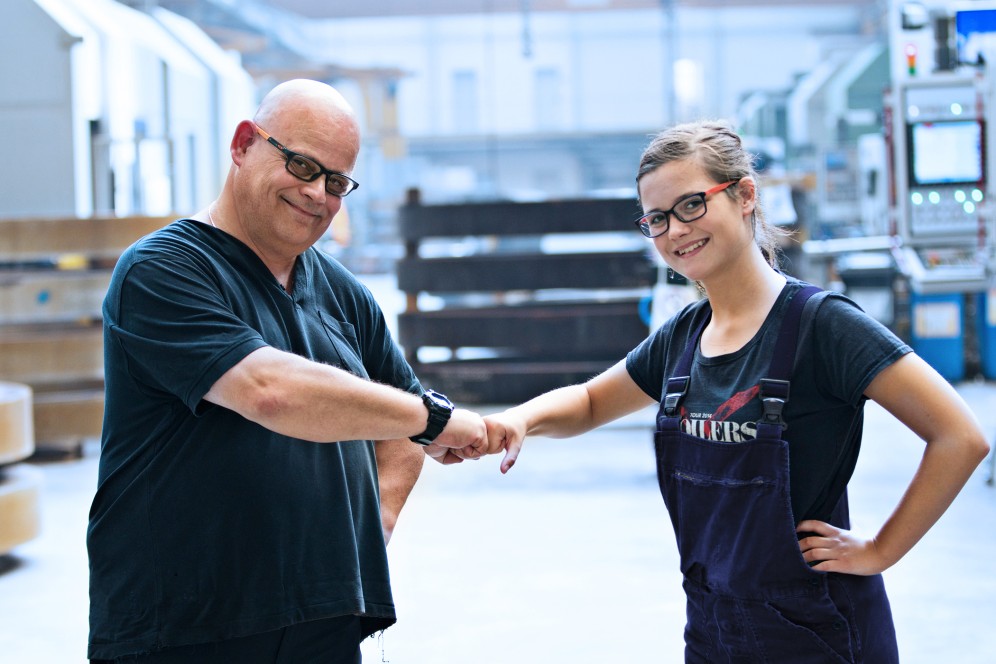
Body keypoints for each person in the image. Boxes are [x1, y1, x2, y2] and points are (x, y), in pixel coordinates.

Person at [483, 120, 990, 663]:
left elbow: (959, 437)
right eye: (656, 219)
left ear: (745, 195)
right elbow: (588, 403)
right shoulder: (683, 338)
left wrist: (881, 550)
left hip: (818, 632)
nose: (675, 230)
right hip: (713, 630)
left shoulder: (822, 326)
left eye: (691, 205)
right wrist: (519, 420)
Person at [87, 79, 486, 664]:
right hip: (184, 624)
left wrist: (371, 529)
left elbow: (397, 426)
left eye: (336, 182)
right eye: (301, 165)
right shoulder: (163, 270)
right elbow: (268, 389)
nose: (317, 193)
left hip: (321, 620)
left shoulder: (341, 293)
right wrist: (435, 419)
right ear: (244, 144)